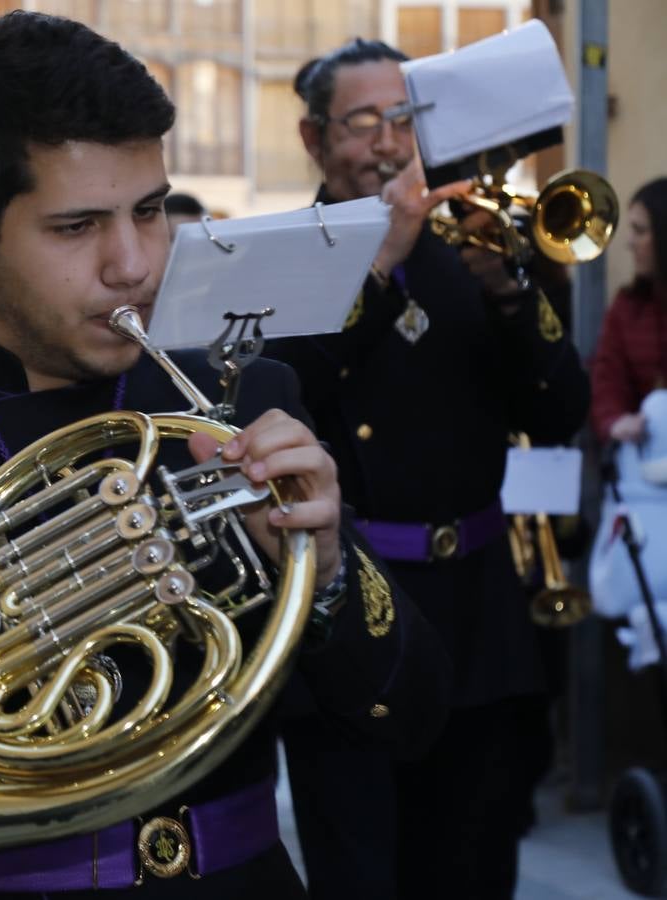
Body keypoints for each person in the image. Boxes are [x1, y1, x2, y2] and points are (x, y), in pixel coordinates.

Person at [0, 13, 450, 898]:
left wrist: (330, 571)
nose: (133, 264)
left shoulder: (242, 398)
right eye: (77, 228)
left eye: (148, 211)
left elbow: (411, 714)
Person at [263, 39, 591, 900]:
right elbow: (287, 389)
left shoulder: (473, 247)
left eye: (405, 118)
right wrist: (378, 264)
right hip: (348, 621)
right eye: (364, 121)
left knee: (477, 868)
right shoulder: (284, 256)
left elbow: (561, 412)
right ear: (313, 137)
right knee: (363, 872)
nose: (387, 142)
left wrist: (516, 293)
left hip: (481, 613)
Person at [591, 177, 667, 450]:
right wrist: (614, 421)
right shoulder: (627, 306)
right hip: (644, 463)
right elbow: (608, 376)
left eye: (640, 230)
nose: (630, 242)